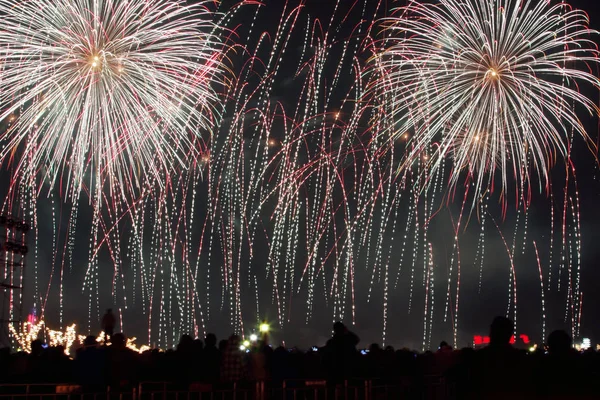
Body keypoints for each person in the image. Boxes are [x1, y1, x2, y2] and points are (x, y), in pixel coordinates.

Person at [323, 322, 360, 386]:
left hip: (335, 370)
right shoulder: (348, 340)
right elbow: (356, 339)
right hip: (348, 369)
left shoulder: (332, 342)